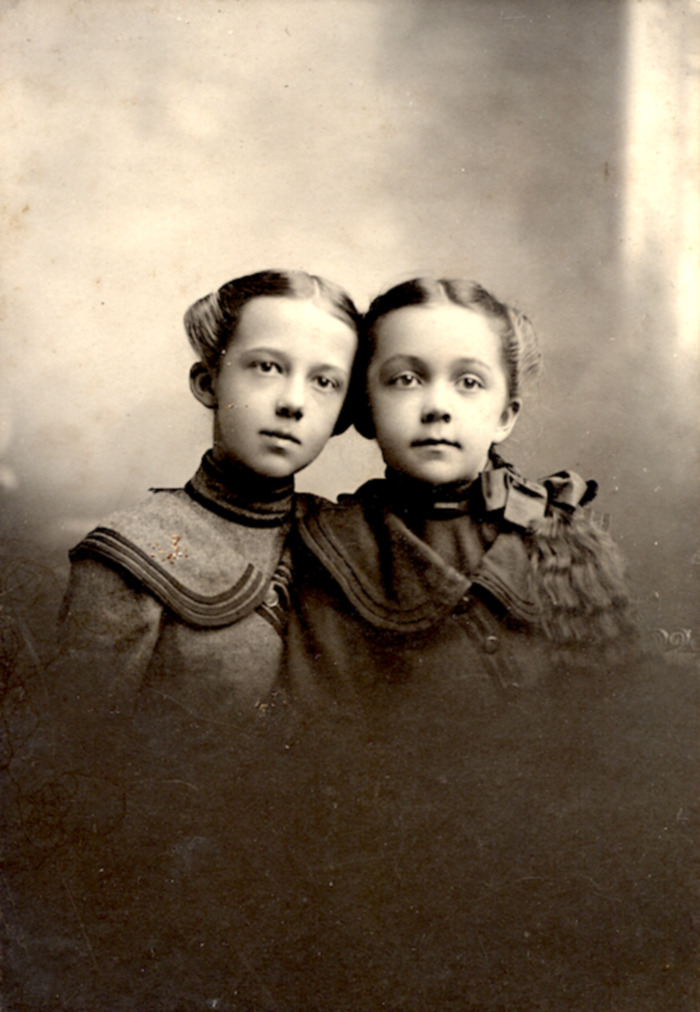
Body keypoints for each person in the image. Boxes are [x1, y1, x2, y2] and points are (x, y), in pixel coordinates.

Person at [277, 278, 699, 1011]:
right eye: (405, 379)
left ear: (505, 412)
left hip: (567, 892)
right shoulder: (334, 553)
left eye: (468, 382)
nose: (437, 404)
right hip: (401, 901)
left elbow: (616, 725)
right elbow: (324, 762)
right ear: (365, 411)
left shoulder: (565, 538)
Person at [4, 270, 361, 1010]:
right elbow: (64, 775)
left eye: (325, 382)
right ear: (207, 379)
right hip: (168, 924)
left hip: (324, 920)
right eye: (266, 366)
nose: (294, 400)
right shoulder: (138, 548)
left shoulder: (350, 544)